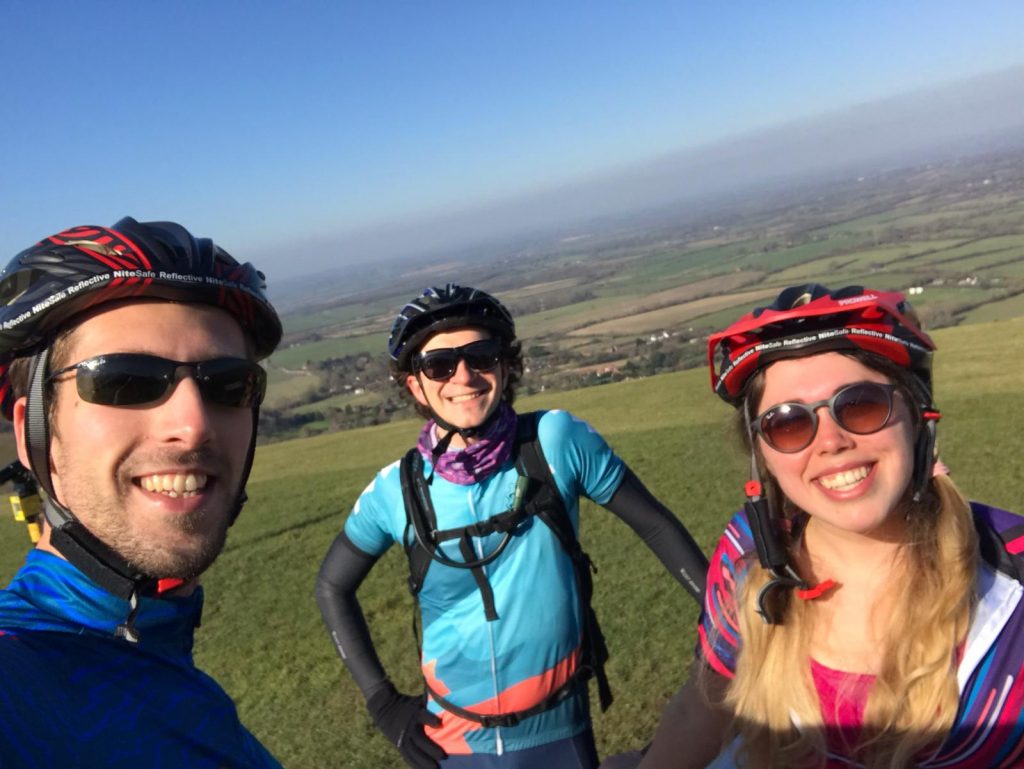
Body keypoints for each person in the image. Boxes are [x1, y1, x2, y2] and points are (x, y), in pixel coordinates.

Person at [627, 284, 1024, 769]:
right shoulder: (750, 549)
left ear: (918, 417)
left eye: (860, 405)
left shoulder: (1010, 577)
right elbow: (702, 707)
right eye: (788, 423)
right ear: (764, 458)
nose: (831, 441)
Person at [316, 284, 709, 769]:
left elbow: (655, 527)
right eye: (440, 364)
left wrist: (724, 625)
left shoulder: (554, 443)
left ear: (505, 365)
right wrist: (382, 703)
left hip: (559, 729)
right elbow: (332, 586)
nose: (463, 376)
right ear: (415, 385)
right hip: (449, 743)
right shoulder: (397, 490)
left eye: (480, 356)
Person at [0, 218, 284, 768]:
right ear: (35, 432)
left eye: (229, 384)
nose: (194, 423)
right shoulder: (18, 674)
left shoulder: (158, 654)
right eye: (124, 379)